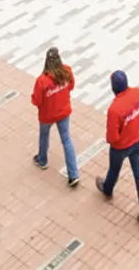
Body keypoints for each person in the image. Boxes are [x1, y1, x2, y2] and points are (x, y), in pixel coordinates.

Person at [97, 69, 139, 231]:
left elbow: (112, 137)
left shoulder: (114, 109)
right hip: (138, 141)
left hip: (121, 147)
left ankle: (107, 189)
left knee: (114, 168)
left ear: (113, 88)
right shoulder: (137, 93)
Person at [30, 46, 81, 186]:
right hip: (63, 112)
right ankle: (73, 174)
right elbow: (71, 86)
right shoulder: (66, 71)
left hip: (47, 115)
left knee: (44, 135)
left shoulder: (42, 80)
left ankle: (43, 160)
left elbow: (36, 100)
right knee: (66, 139)